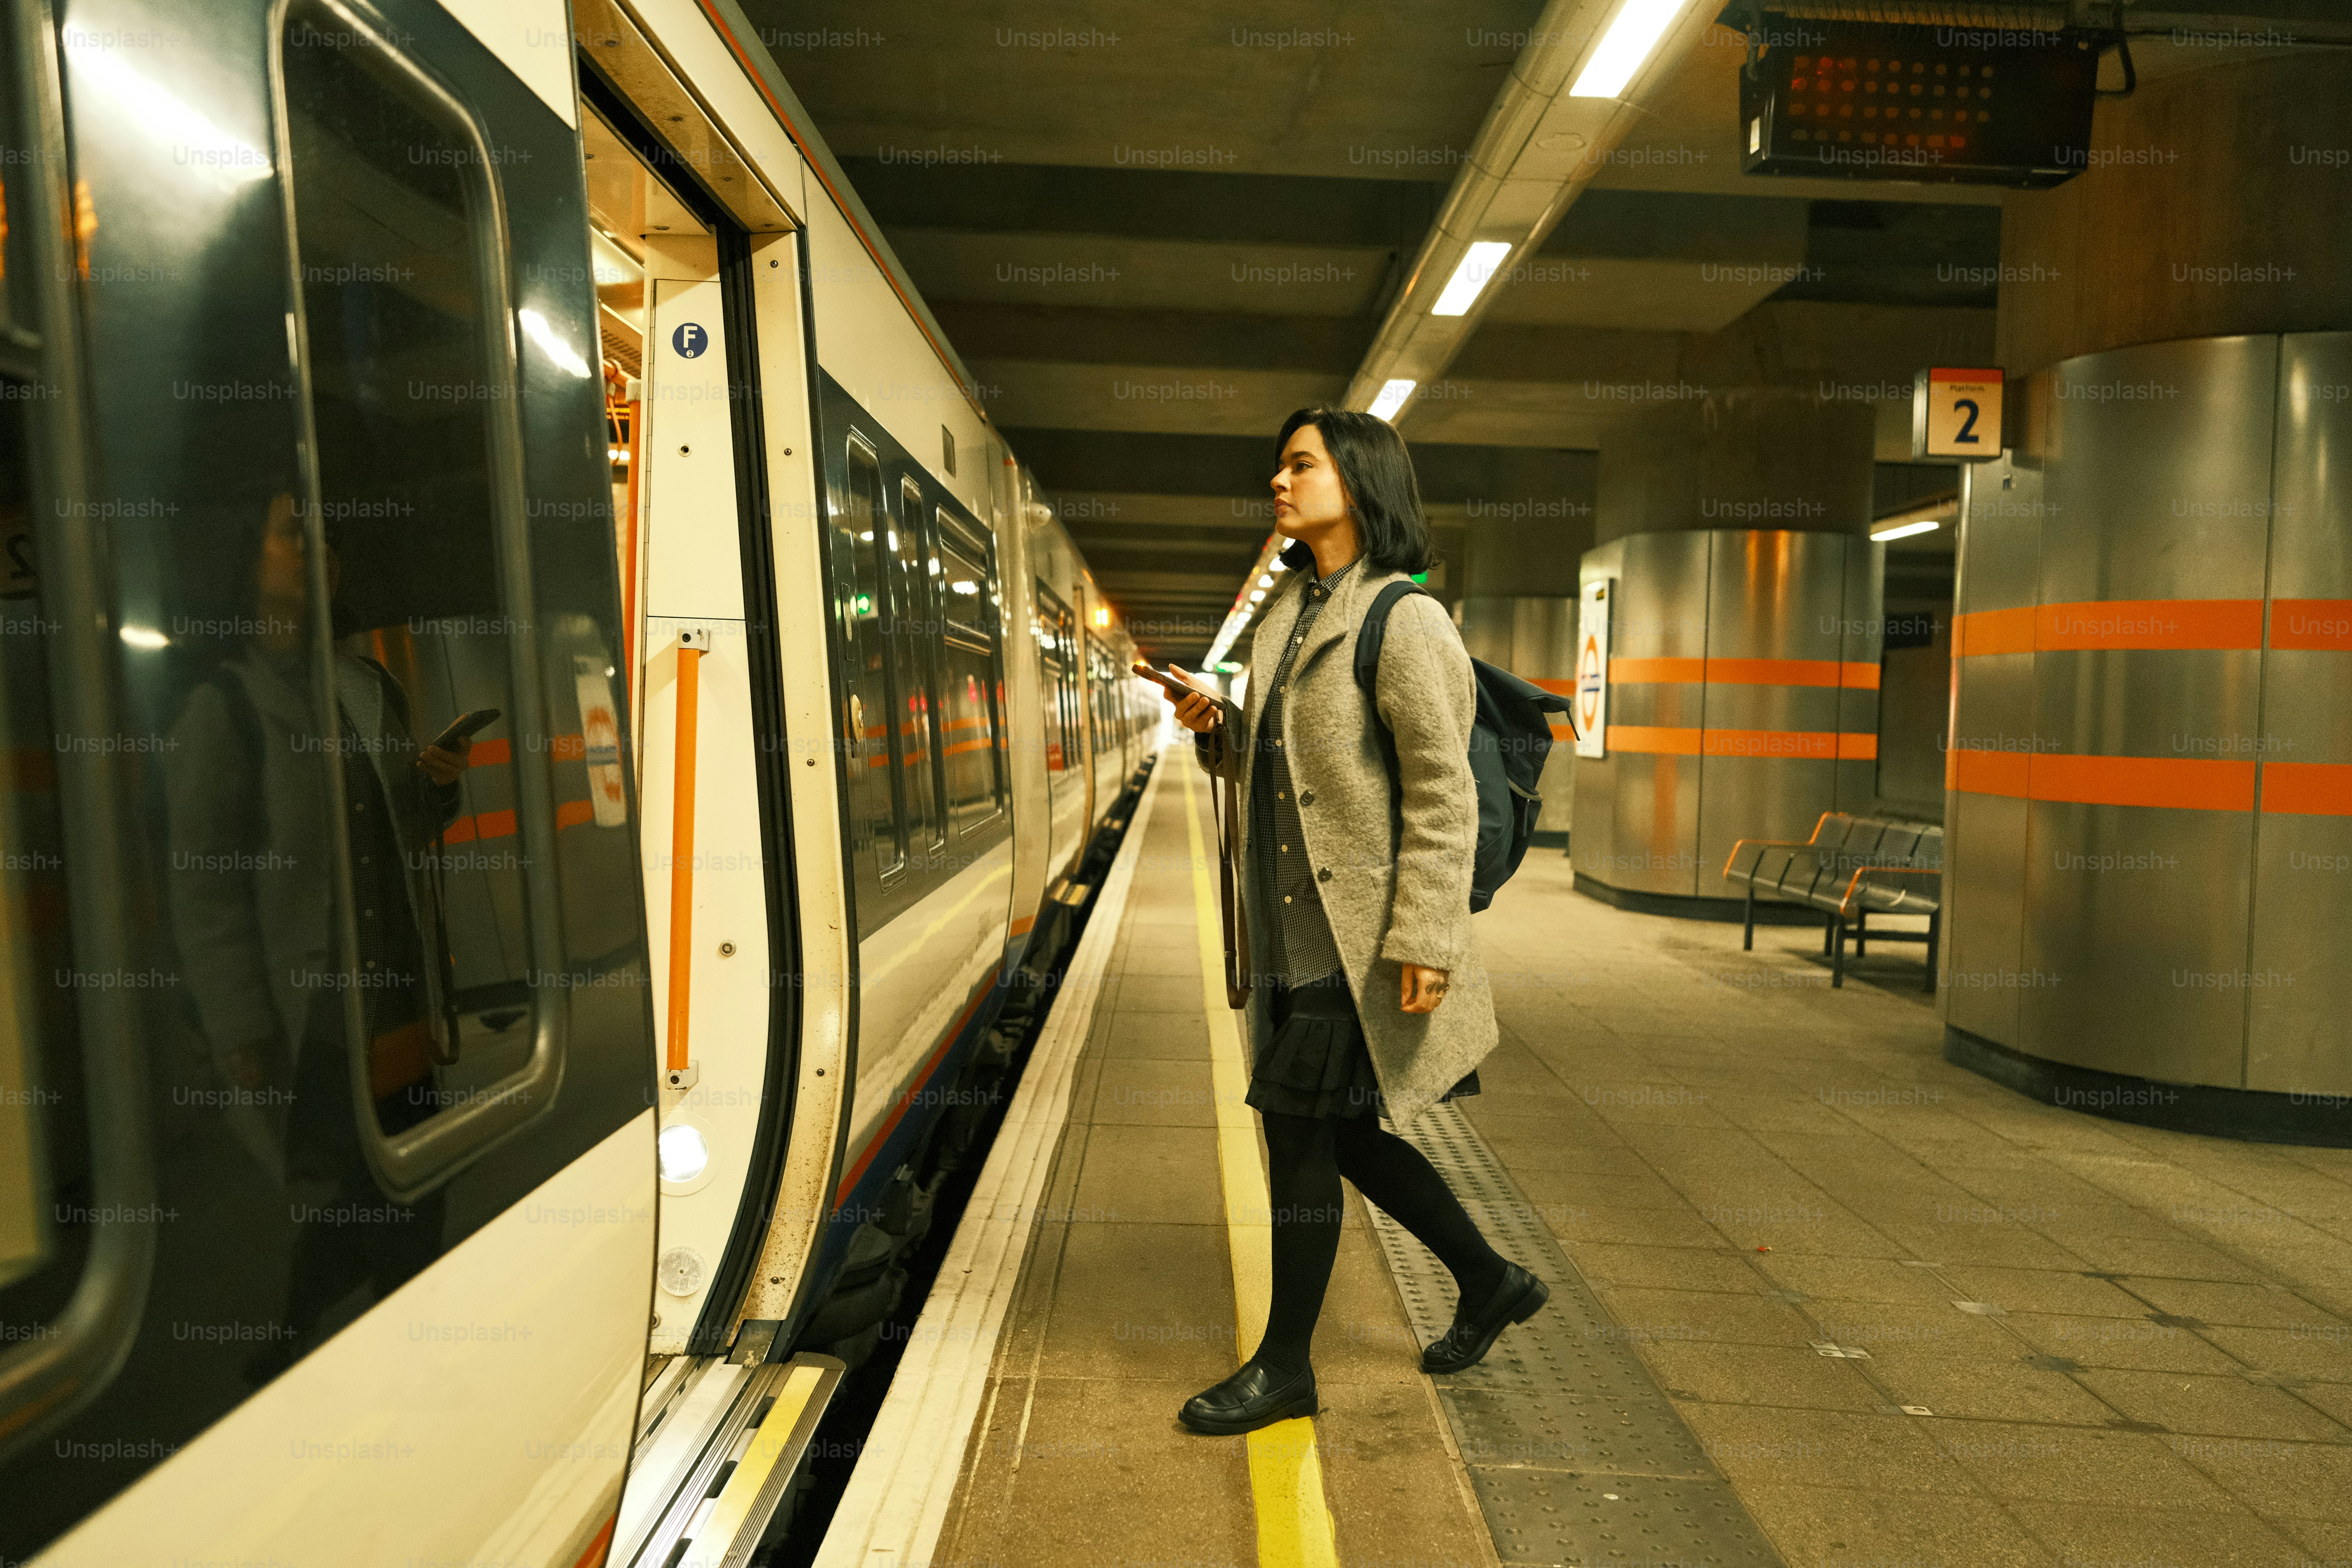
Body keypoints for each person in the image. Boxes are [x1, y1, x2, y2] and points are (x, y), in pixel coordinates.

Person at [1158, 407, 1549, 1436]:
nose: (1279, 482)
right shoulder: (1289, 612)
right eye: (1278, 466)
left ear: (1358, 479)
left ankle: (1285, 1367)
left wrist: (1427, 938)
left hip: (1358, 932)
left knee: (1298, 1135)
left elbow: (1442, 793)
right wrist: (1218, 729)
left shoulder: (1404, 619)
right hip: (1293, 930)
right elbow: (1282, 768)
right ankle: (1491, 1279)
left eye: (1301, 465)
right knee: (1339, 1135)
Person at [165, 493, 472, 1374]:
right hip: (315, 1017)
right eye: (292, 534)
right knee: (361, 1194)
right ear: (245, 563)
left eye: (327, 537)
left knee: (414, 1184)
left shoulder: (368, 686)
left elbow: (407, 827)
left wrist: (438, 785)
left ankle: (348, 1349)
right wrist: (240, 1028)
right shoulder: (225, 707)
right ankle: (333, 1353)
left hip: (399, 1002)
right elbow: (205, 886)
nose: (318, 549)